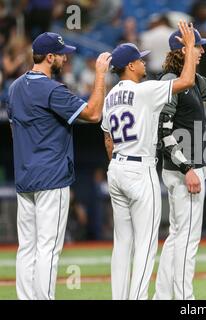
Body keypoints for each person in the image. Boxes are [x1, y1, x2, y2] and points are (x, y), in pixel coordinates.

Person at [7, 32, 111, 300]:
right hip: (51, 177)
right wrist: (100, 75)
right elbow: (93, 114)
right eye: (62, 54)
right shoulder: (51, 89)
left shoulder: (15, 87)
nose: (66, 59)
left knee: (27, 247)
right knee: (48, 247)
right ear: (49, 57)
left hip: (25, 177)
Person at [101, 21, 197, 300]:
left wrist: (118, 164)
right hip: (139, 169)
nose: (144, 63)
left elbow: (108, 139)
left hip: (116, 166)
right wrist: (189, 48)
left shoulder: (109, 97)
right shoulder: (145, 90)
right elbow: (187, 81)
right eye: (139, 61)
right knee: (145, 244)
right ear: (130, 66)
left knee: (122, 243)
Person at [154, 27, 206, 300]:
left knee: (177, 237)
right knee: (187, 241)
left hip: (187, 169)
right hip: (183, 170)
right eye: (197, 46)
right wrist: (187, 169)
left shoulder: (189, 79)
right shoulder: (171, 81)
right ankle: (185, 300)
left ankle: (163, 296)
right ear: (183, 50)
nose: (202, 50)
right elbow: (164, 132)